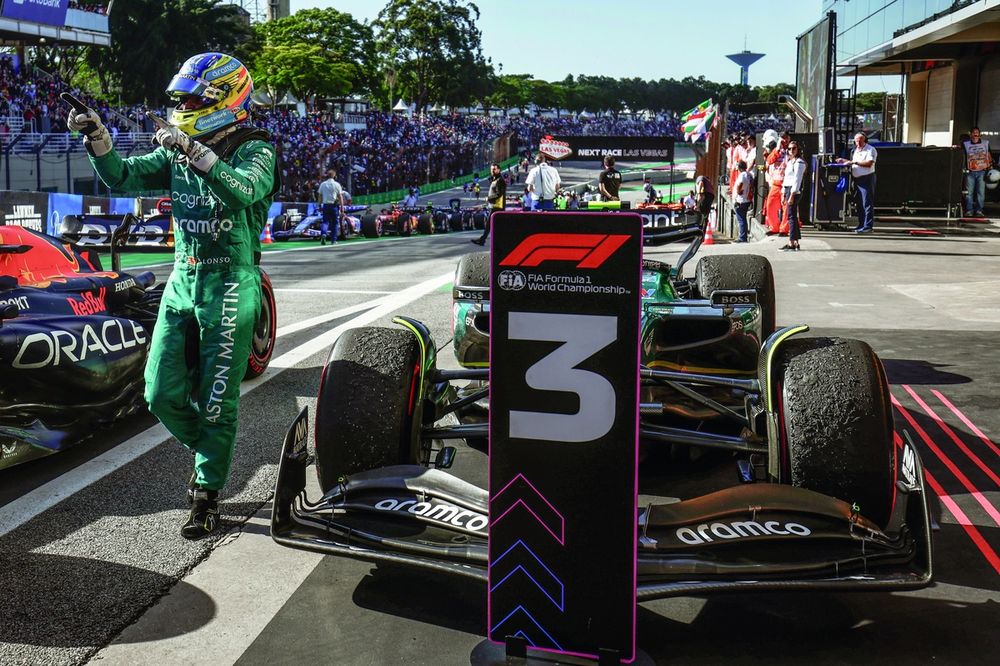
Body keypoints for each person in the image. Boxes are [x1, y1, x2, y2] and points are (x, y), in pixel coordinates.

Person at [69, 53, 278, 539]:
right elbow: (122, 176)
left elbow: (242, 191)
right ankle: (212, 448)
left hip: (231, 282)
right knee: (158, 393)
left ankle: (206, 494)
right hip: (183, 280)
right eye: (179, 98)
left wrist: (194, 151)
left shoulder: (257, 148)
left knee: (218, 399)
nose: (183, 105)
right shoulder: (174, 150)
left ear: (227, 98)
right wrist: (98, 138)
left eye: (192, 98)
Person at [838, 132, 877, 233]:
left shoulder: (870, 149)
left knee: (867, 203)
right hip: (857, 179)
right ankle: (861, 224)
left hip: (867, 178)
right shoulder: (854, 150)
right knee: (859, 203)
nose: (858, 143)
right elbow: (854, 162)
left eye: (860, 141)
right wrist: (844, 161)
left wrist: (854, 162)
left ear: (865, 140)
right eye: (856, 141)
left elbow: (869, 163)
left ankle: (868, 226)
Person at [472, 162, 506, 245]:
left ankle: (482, 240)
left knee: (489, 225)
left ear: (499, 170)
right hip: (493, 205)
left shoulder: (500, 180)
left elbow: (499, 194)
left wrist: (488, 198)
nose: (492, 171)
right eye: (491, 169)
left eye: (494, 169)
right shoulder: (495, 180)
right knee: (491, 225)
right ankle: (484, 240)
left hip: (497, 206)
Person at [962, 127, 992, 217]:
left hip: (982, 171)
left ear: (980, 134)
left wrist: (990, 166)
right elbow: (962, 156)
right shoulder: (965, 144)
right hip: (970, 171)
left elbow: (989, 155)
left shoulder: (985, 143)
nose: (975, 134)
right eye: (974, 133)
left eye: (977, 132)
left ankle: (979, 210)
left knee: (980, 192)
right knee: (969, 193)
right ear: (971, 134)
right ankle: (969, 210)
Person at [781, 142, 806, 251]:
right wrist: (783, 193)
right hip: (787, 188)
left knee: (791, 216)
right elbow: (786, 178)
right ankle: (795, 241)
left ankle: (791, 242)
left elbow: (797, 180)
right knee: (792, 216)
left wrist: (792, 194)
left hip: (793, 190)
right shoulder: (791, 162)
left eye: (793, 148)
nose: (791, 151)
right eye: (789, 149)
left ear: (798, 149)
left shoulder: (799, 163)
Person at [317, 168, 344, 245]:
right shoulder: (337, 184)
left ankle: (323, 234)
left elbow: (320, 196)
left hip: (325, 205)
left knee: (325, 221)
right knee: (335, 223)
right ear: (334, 176)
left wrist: (319, 205)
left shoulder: (323, 184)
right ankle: (333, 240)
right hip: (334, 205)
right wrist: (342, 209)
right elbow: (340, 197)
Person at [733, 160, 753, 243]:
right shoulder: (749, 174)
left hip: (741, 199)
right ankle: (743, 235)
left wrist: (738, 191)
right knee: (743, 218)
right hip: (747, 199)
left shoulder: (742, 175)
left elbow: (740, 183)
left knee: (741, 219)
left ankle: (742, 237)